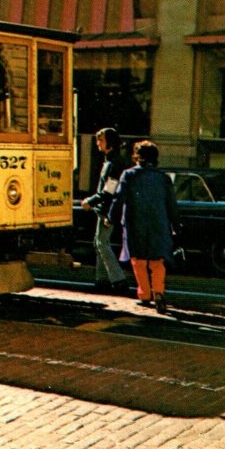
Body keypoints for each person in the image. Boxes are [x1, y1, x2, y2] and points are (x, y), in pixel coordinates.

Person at [107, 141, 179, 314]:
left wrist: (111, 218)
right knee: (157, 260)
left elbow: (119, 198)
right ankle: (159, 292)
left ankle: (145, 294)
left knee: (138, 260)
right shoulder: (163, 178)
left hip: (135, 223)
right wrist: (176, 225)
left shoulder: (129, 175)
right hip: (159, 223)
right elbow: (171, 205)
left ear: (137, 157)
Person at [80, 127, 129, 295]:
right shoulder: (111, 161)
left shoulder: (114, 163)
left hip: (108, 210)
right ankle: (102, 280)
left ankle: (117, 280)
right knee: (99, 242)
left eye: (100, 140)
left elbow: (109, 190)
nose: (98, 144)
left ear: (110, 143)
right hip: (107, 208)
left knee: (102, 243)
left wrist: (91, 201)